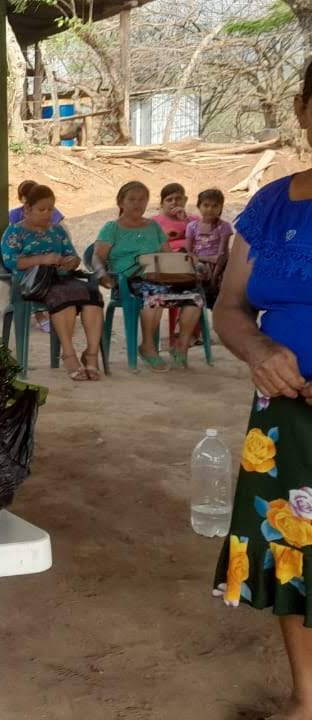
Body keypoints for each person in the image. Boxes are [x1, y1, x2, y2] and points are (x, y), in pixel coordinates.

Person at [213, 58, 312, 720]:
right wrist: (257, 348)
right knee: (292, 552)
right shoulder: (272, 204)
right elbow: (227, 306)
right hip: (286, 421)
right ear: (304, 109)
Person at [95, 180, 205, 372]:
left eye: (142, 199)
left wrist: (187, 262)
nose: (137, 203)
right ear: (120, 202)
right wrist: (102, 274)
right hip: (128, 280)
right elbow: (97, 256)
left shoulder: (153, 226)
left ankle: (181, 346)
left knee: (195, 295)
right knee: (154, 294)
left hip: (158, 276)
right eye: (132, 199)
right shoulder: (112, 228)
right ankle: (147, 346)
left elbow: (167, 254)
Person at [0, 183, 103, 381]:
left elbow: (73, 256)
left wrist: (72, 261)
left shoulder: (57, 231)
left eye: (51, 209)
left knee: (93, 296)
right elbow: (11, 261)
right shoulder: (14, 232)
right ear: (27, 209)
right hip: (32, 284)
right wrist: (42, 259)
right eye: (42, 209)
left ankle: (91, 353)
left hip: (61, 278)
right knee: (63, 298)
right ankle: (69, 354)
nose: (48, 214)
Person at [9, 179, 64, 333]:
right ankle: (40, 317)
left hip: (49, 260)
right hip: (28, 262)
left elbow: (57, 232)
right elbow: (14, 252)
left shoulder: (49, 213)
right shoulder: (15, 216)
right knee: (30, 277)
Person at [185, 187, 233, 309]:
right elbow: (188, 252)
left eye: (215, 206)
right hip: (198, 266)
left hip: (219, 267)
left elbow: (222, 255)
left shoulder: (224, 227)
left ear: (221, 207)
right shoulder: (192, 227)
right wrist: (203, 259)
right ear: (199, 206)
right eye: (206, 205)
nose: (210, 209)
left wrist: (214, 278)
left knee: (221, 300)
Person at [152, 182, 198, 252]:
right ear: (162, 204)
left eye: (178, 198)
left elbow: (203, 241)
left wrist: (186, 220)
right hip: (167, 257)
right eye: (169, 200)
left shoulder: (195, 220)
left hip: (192, 256)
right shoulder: (154, 222)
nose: (174, 202)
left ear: (185, 200)